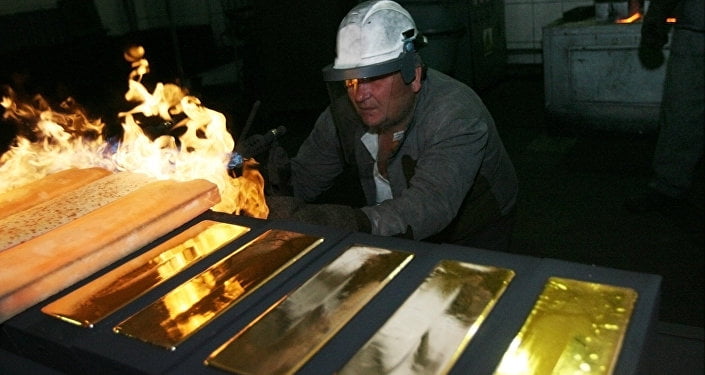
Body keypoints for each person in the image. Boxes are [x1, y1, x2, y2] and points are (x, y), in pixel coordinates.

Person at [267, 0, 518, 251]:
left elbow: (429, 205)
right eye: (351, 79)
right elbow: (306, 177)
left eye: (374, 77)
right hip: (392, 227)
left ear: (414, 75)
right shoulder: (343, 115)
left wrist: (349, 221)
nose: (359, 95)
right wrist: (260, 180)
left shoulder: (456, 115)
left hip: (473, 229)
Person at [624, 0, 704, 214]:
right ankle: (669, 187)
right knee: (682, 111)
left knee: (682, 110)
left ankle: (669, 186)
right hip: (695, 31)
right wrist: (654, 23)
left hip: (694, 29)